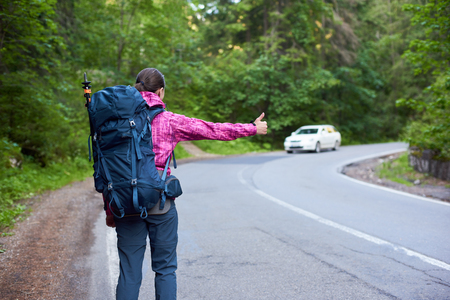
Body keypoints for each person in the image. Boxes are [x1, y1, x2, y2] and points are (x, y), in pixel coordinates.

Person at [104, 67, 268, 300]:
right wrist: (251, 128)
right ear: (160, 92)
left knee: (129, 272)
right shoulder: (169, 121)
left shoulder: (115, 122)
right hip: (159, 203)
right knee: (165, 269)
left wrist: (110, 209)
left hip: (124, 204)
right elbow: (213, 130)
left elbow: (105, 168)